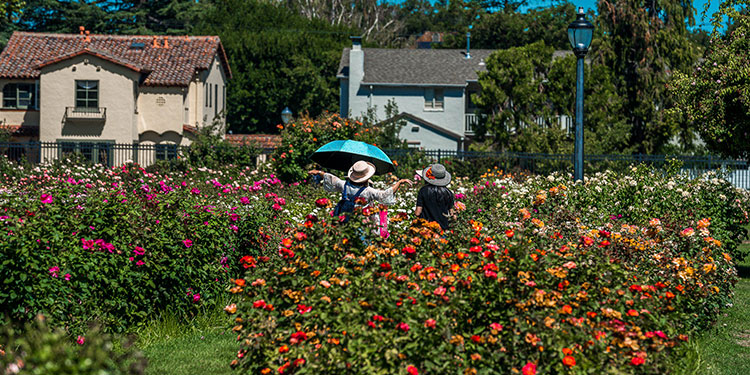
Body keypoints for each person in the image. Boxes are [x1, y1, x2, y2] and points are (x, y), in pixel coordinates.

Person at [308, 160, 412, 227]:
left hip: (342, 216)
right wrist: (399, 182)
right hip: (360, 219)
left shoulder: (344, 184)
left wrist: (318, 172)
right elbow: (384, 195)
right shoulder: (368, 191)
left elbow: (330, 178)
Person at [415, 163, 454, 231]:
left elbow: (418, 212)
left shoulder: (423, 191)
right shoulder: (448, 193)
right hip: (443, 228)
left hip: (427, 227)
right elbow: (452, 214)